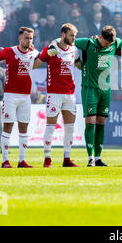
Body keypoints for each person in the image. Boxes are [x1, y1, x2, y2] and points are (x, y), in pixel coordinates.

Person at [48, 26, 122, 166]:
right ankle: (90, 158)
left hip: (105, 89)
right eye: (105, 43)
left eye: (110, 44)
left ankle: (98, 158)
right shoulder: (88, 43)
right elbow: (67, 39)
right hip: (89, 88)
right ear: (100, 37)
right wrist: (53, 44)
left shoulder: (114, 43)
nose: (107, 46)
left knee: (101, 123)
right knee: (90, 122)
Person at [0, 27, 40, 168]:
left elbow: (43, 57)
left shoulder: (34, 53)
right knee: (7, 126)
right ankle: (5, 160)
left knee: (23, 128)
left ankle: (21, 160)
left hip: (25, 97)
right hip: (10, 95)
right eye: (26, 38)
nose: (29, 40)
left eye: (31, 38)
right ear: (19, 38)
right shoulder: (9, 51)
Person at [36, 23, 79, 168]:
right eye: (71, 35)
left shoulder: (74, 49)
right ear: (63, 35)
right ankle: (47, 158)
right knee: (50, 126)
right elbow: (35, 64)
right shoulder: (51, 49)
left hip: (70, 94)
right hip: (54, 94)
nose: (74, 38)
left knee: (70, 128)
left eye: (75, 35)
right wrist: (46, 53)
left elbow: (79, 64)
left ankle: (67, 158)